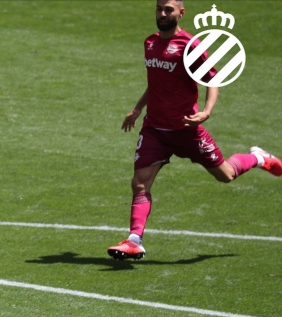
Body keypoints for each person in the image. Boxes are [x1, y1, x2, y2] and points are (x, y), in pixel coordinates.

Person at [107, 0, 281, 260]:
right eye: (159, 8)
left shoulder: (190, 46)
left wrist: (206, 112)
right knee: (140, 183)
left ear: (181, 12)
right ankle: (134, 240)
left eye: (168, 9)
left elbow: (213, 80)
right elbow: (156, 82)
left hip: (186, 129)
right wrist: (137, 109)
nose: (162, 14)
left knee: (226, 175)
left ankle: (257, 157)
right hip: (155, 129)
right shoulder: (150, 43)